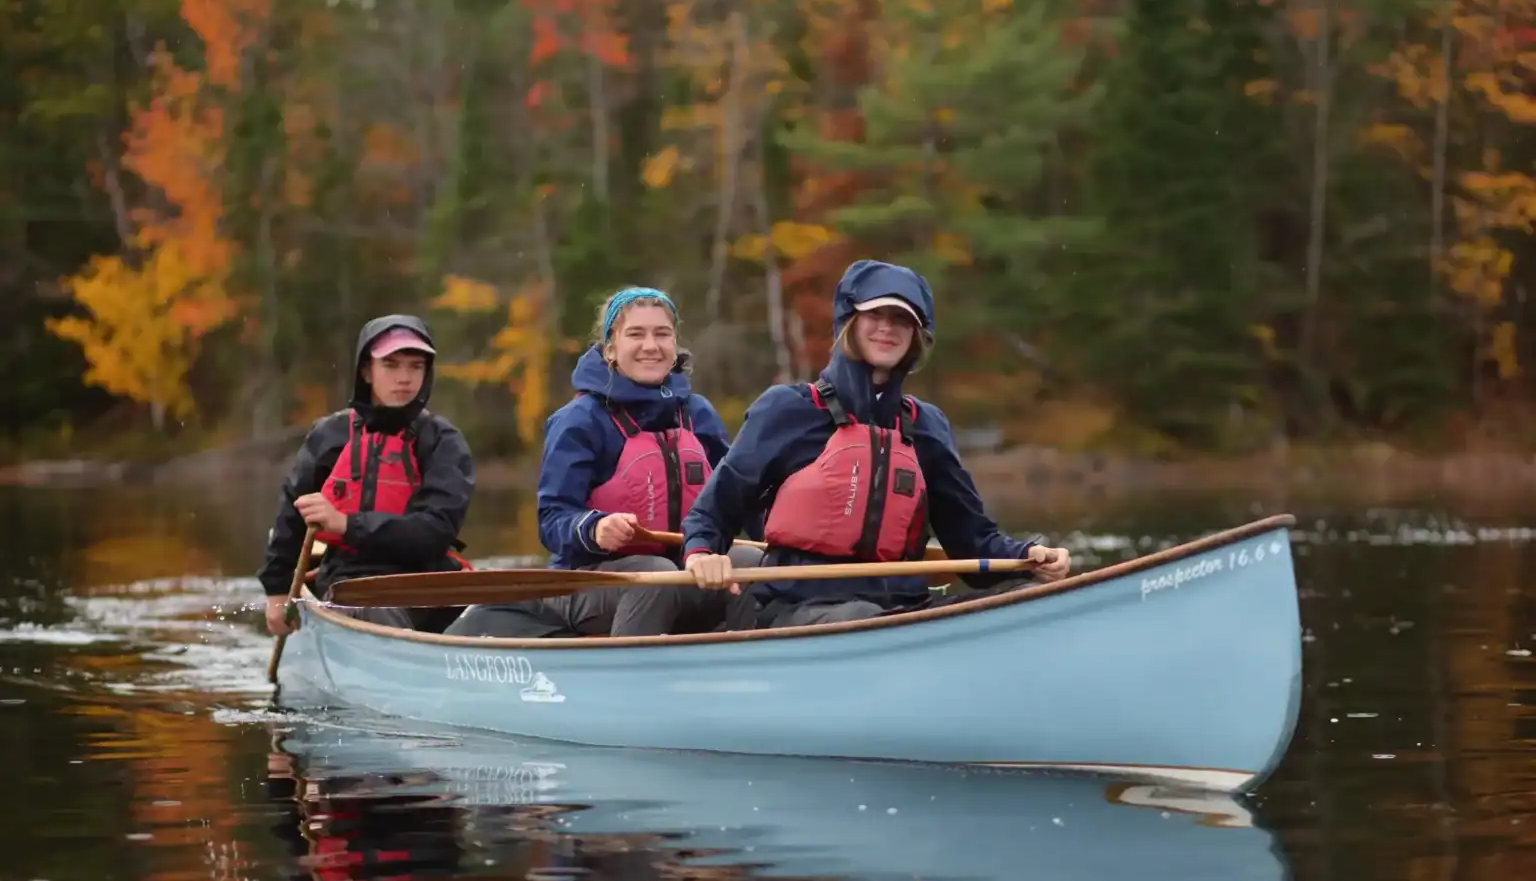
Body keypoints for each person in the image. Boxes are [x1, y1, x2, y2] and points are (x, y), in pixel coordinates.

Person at [679, 259, 1072, 629]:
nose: (888, 327)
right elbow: (713, 513)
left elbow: (973, 546)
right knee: (864, 616)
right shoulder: (786, 409)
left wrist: (1027, 558)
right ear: (849, 321)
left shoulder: (926, 426)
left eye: (902, 319)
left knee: (1033, 598)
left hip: (903, 608)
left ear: (917, 335)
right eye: (876, 315)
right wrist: (701, 554)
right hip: (796, 609)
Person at [446, 287, 761, 639]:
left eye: (662, 334)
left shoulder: (698, 414)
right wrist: (594, 529)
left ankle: (743, 668)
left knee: (752, 564)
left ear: (675, 346)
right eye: (636, 334)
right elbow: (552, 521)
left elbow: (737, 496)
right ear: (610, 349)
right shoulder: (579, 420)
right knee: (652, 574)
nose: (651, 345)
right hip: (587, 584)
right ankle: (626, 679)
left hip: (680, 572)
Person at [257, 315, 476, 636]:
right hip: (350, 580)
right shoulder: (329, 436)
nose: (404, 378)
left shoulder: (444, 441)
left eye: (416, 367)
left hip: (426, 578)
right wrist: (277, 593)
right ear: (366, 372)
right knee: (372, 606)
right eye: (391, 365)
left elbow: (435, 532)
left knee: (486, 612)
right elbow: (291, 517)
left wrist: (346, 525)